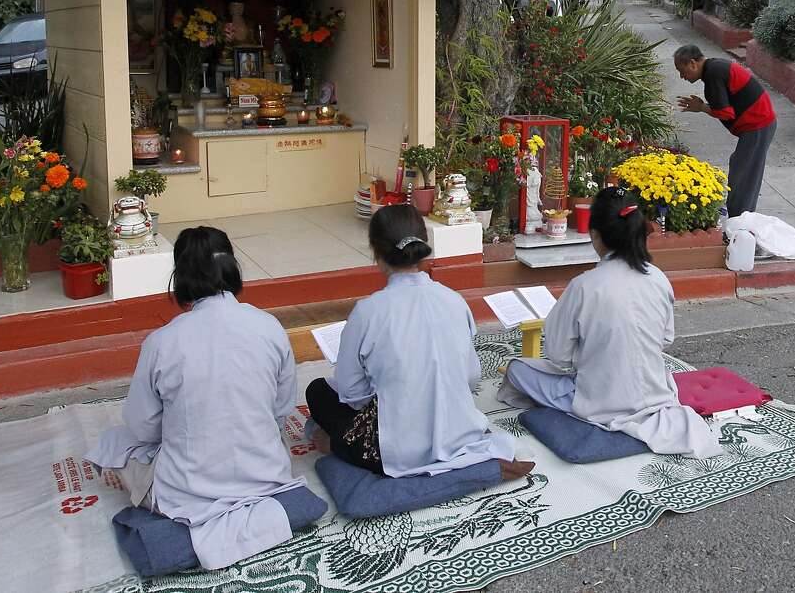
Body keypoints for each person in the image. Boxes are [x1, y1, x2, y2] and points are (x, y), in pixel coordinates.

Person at [84, 227, 305, 571]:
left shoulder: (162, 341)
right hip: (266, 474)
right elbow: (280, 410)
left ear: (180, 276)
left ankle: (149, 494)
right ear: (232, 267)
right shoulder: (270, 326)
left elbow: (143, 429)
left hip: (186, 491)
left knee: (115, 441)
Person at [306, 204, 534, 480]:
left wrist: (394, 396)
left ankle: (340, 446)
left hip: (396, 450)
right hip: (458, 431)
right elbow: (471, 378)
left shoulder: (367, 312)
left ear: (375, 252)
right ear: (423, 244)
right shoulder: (454, 300)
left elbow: (352, 393)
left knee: (318, 391)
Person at [498, 188, 722, 459]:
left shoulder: (583, 286)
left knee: (518, 369)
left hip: (598, 399)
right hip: (654, 393)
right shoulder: (658, 278)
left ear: (595, 235)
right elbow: (665, 338)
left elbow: (559, 357)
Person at [673, 43, 777, 218]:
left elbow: (725, 113)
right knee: (741, 167)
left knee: (744, 174)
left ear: (693, 63)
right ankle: (740, 215)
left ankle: (740, 219)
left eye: (681, 70)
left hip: (757, 124)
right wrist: (703, 107)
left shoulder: (713, 73)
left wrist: (701, 108)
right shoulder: (714, 68)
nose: (682, 76)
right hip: (758, 124)